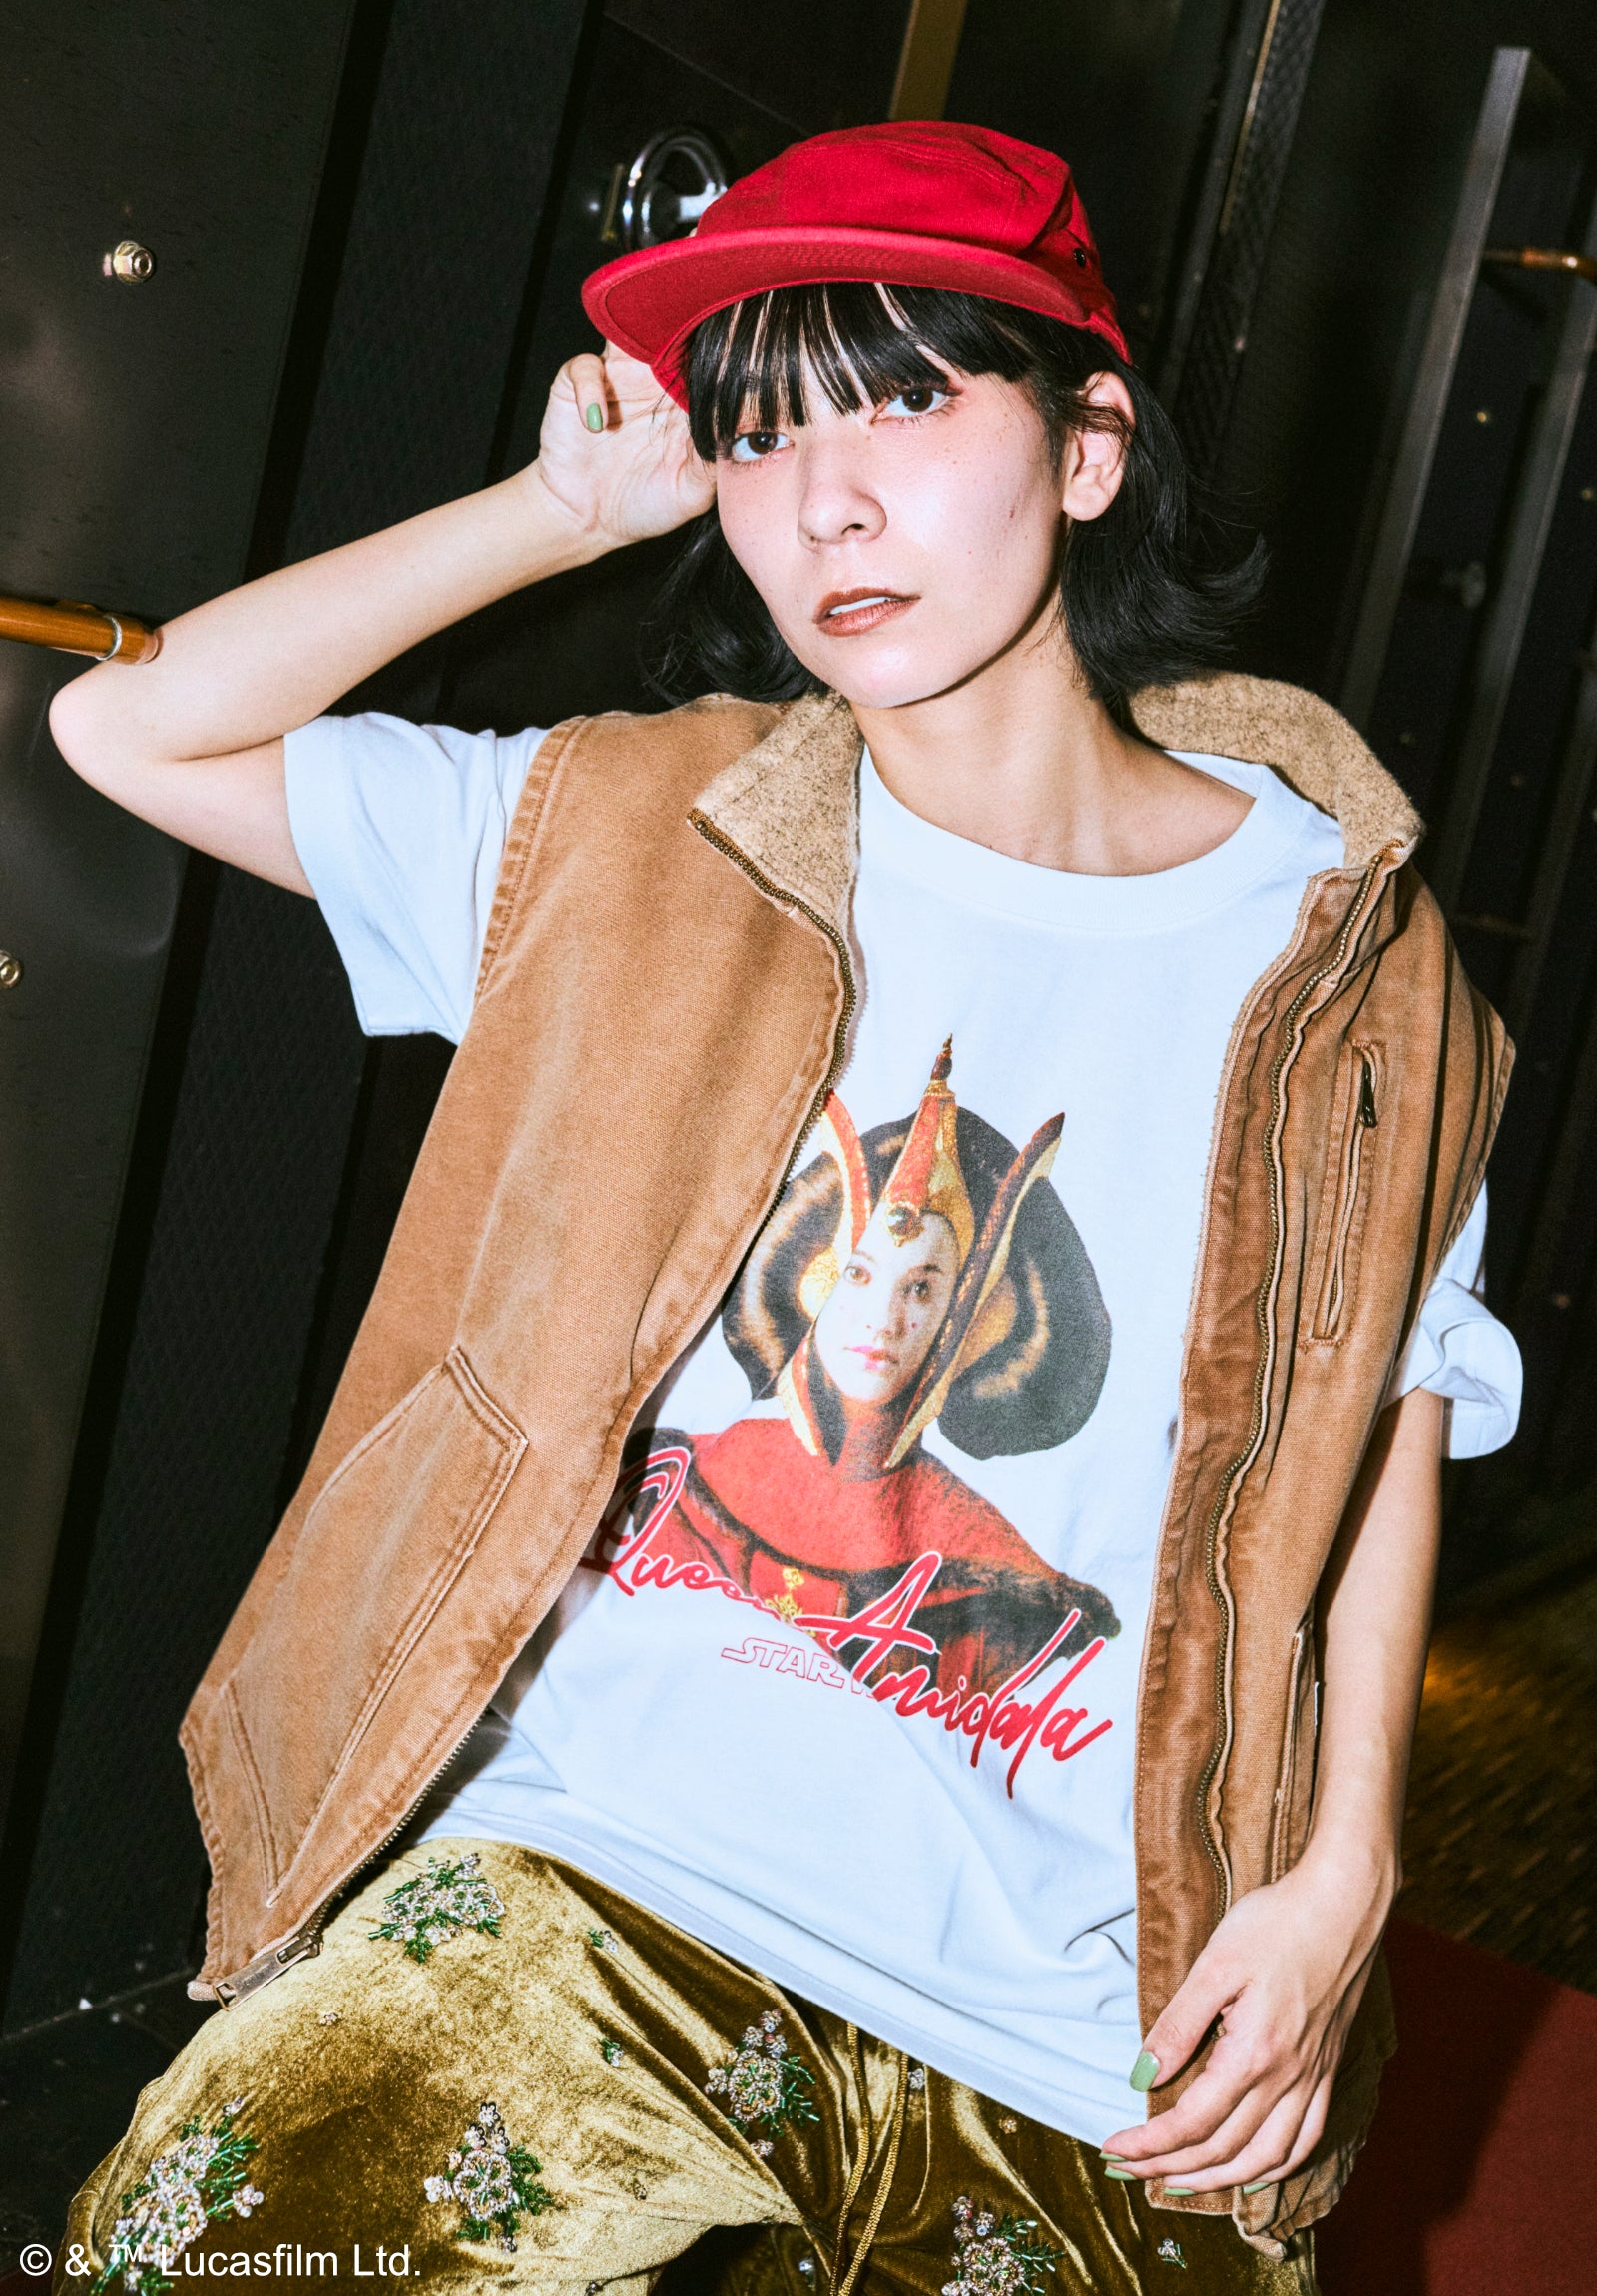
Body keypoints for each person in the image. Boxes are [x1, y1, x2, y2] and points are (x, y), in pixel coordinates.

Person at [50, 122, 1519, 2294]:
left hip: (1077, 1989)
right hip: (592, 1885)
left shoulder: (1343, 954)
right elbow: (136, 731)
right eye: (756, 434)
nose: (822, 503)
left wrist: (1343, 1873)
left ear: (1088, 448)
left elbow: (1391, 1405)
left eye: (904, 401)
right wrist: (559, 512)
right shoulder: (641, 835)